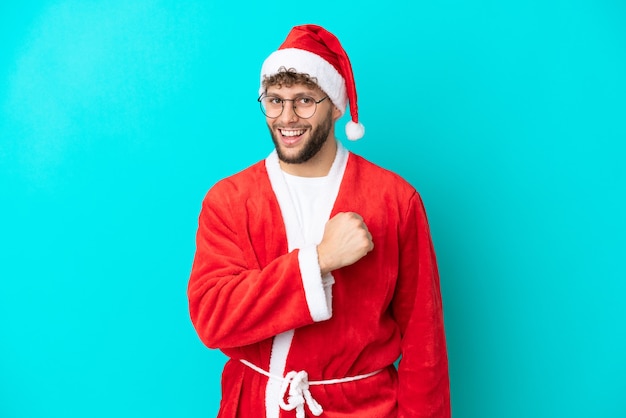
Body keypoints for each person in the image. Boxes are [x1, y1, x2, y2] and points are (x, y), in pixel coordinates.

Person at [188, 24, 450, 418]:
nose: (287, 117)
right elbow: (213, 317)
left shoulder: (395, 200)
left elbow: (423, 341)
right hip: (258, 406)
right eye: (274, 100)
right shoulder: (230, 200)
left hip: (364, 408)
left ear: (336, 105)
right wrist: (318, 260)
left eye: (305, 100)